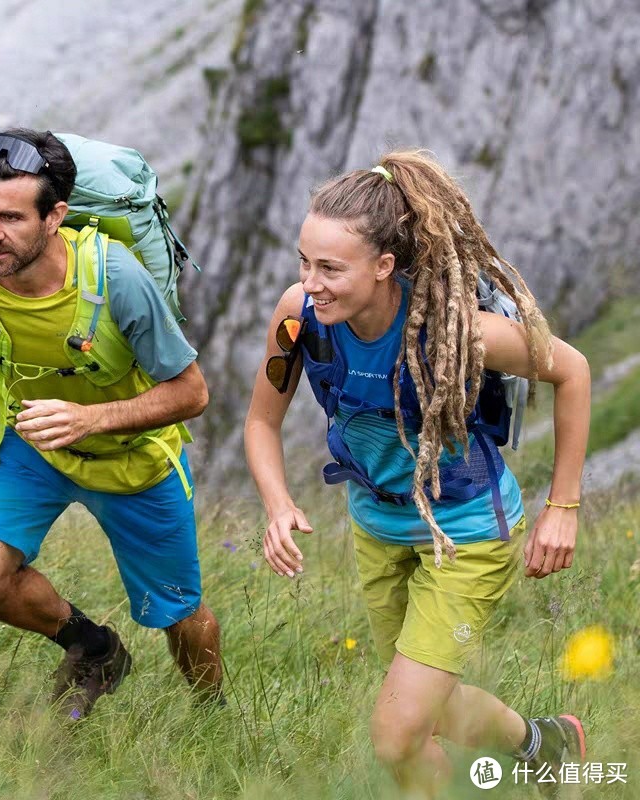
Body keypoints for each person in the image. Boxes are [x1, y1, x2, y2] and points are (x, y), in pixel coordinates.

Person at [244, 152, 590, 797]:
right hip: (377, 530)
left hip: (464, 534)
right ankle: (548, 746)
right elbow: (261, 423)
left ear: (383, 267)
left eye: (330, 268)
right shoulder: (298, 318)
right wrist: (277, 504)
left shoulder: (459, 332)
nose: (309, 282)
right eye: (304, 261)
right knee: (427, 703)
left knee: (398, 734)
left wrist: (562, 506)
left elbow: (572, 370)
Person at [0, 128, 222, 719]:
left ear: (55, 215)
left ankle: (214, 719)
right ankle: (95, 649)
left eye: (10, 218)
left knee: (181, 617)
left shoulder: (117, 280)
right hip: (36, 446)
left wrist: (92, 418)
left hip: (132, 461)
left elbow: (192, 393)